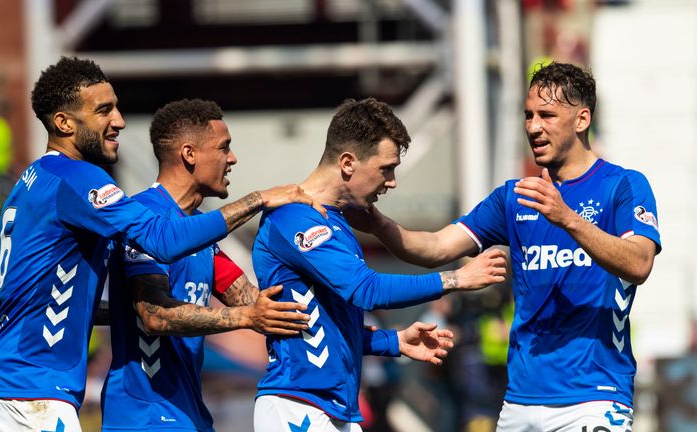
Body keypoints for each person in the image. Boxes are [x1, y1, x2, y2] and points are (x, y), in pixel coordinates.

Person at [0, 57, 324, 432]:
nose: (119, 120)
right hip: (34, 382)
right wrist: (258, 200)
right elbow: (162, 245)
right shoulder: (78, 179)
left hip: (24, 379)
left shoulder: (35, 180)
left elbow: (51, 293)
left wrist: (377, 337)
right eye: (104, 110)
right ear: (64, 123)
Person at [348, 62, 661, 431]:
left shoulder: (623, 186)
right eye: (528, 115)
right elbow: (434, 247)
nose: (533, 126)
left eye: (547, 115)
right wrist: (379, 225)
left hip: (594, 396)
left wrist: (568, 218)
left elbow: (639, 263)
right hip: (520, 402)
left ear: (582, 120)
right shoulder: (514, 197)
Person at [251, 97, 508, 431]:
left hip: (333, 408)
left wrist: (394, 341)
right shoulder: (293, 218)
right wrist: (455, 279)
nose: (392, 182)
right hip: (295, 405)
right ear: (347, 163)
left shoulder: (339, 222)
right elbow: (366, 288)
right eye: (386, 169)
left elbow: (331, 324)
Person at [100, 98, 321, 431]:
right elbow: (155, 315)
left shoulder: (199, 232)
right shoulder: (144, 219)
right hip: (144, 417)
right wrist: (259, 199)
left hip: (189, 415)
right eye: (224, 148)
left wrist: (380, 335)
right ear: (189, 154)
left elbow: (254, 301)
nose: (232, 159)